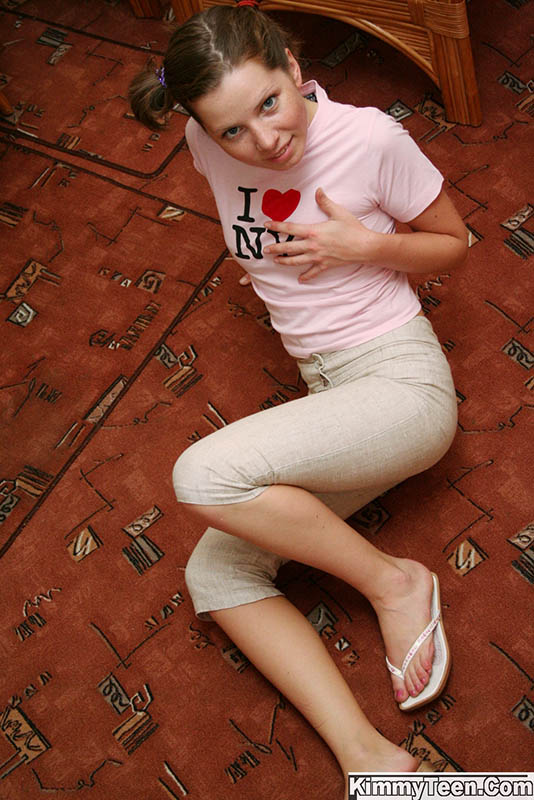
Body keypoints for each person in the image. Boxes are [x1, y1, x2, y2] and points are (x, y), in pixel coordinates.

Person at [129, 1, 467, 790]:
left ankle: (395, 583)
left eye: (270, 104)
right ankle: (368, 758)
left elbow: (455, 243)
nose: (265, 139)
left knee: (202, 478)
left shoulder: (369, 138)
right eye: (233, 129)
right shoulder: (204, 141)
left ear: (292, 65)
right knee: (216, 576)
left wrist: (365, 245)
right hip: (327, 394)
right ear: (202, 129)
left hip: (400, 386)